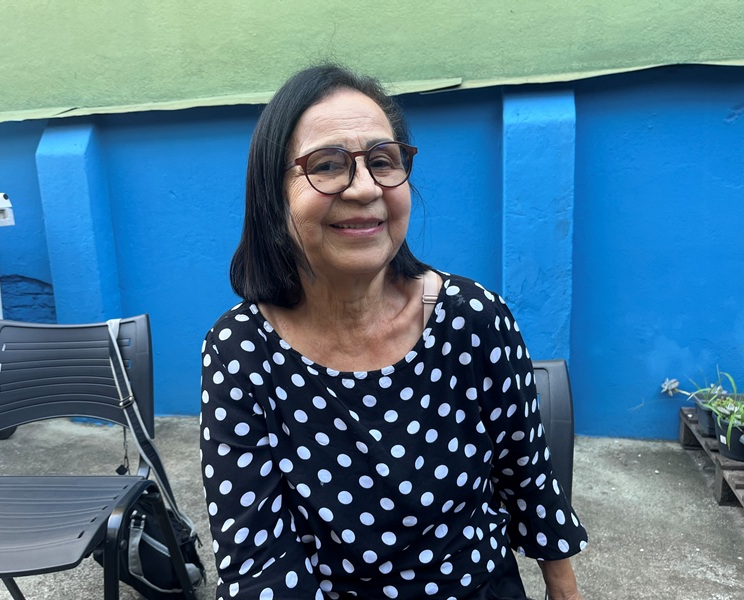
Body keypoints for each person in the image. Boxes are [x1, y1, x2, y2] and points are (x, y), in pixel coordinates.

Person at [200, 63, 587, 600]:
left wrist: (564, 589)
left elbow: (527, 475)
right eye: (327, 165)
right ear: (273, 195)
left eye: (383, 161)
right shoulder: (242, 351)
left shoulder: (474, 319)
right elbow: (259, 563)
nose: (364, 188)